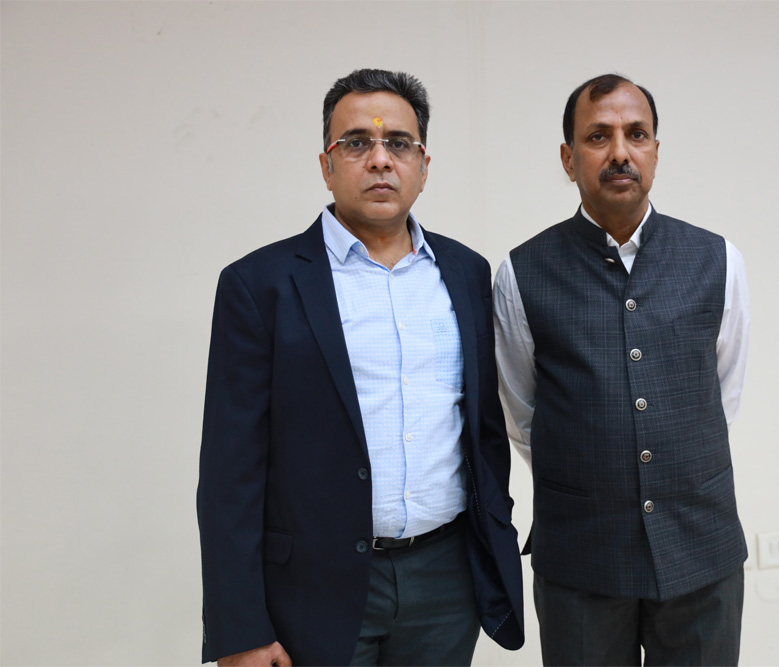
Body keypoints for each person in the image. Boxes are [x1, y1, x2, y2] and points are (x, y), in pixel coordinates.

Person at [198, 68, 523, 667]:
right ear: (326, 165)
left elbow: (482, 428)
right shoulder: (259, 285)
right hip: (313, 586)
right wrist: (238, 628)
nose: (379, 159)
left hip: (445, 580)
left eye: (398, 143)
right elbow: (229, 472)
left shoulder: (467, 273)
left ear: (423, 165)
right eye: (356, 143)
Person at [493, 73, 750, 666]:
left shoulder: (717, 259)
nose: (620, 152)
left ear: (655, 150)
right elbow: (522, 412)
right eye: (598, 136)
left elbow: (723, 394)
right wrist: (594, 471)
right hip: (580, 556)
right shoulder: (522, 272)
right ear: (568, 158)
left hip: (701, 548)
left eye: (636, 134)